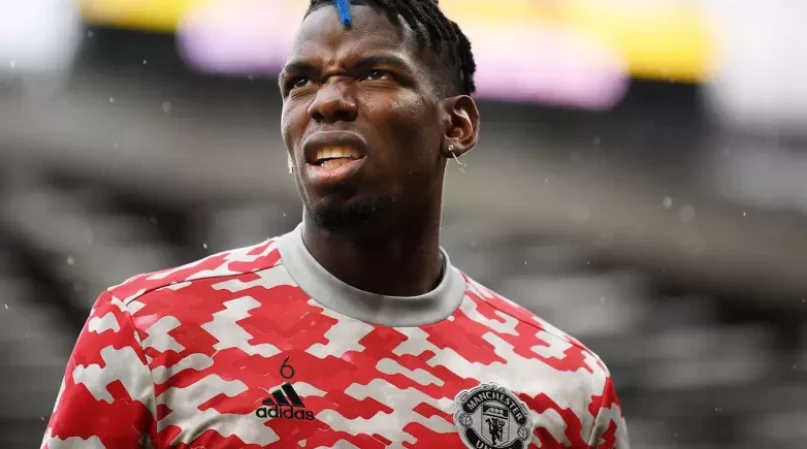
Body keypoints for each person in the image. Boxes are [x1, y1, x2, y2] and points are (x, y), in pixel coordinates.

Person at [41, 1, 630, 448]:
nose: (326, 101)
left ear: (457, 126)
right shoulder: (147, 331)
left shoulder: (565, 386)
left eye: (374, 74)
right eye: (300, 81)